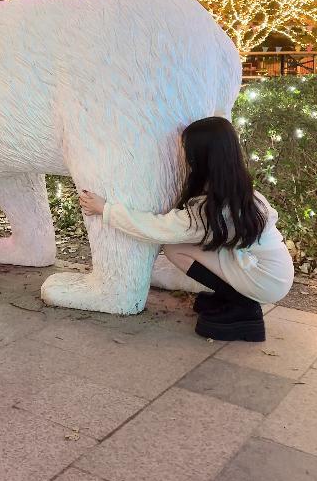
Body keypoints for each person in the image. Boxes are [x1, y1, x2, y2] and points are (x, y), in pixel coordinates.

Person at [79, 117, 294, 343]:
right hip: (275, 272)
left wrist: (105, 209)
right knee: (180, 246)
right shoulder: (240, 190)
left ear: (201, 157)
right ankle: (233, 297)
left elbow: (156, 228)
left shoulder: (212, 211)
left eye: (186, 149)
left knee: (174, 248)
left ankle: (243, 305)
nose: (182, 155)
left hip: (266, 279)